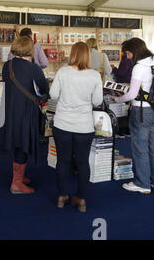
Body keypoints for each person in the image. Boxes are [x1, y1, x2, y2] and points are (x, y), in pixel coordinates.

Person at [50, 42, 103, 212]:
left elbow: (53, 95)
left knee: (63, 161)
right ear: (87, 55)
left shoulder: (63, 72)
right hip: (84, 126)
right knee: (82, 162)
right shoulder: (94, 75)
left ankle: (61, 195)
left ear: (71, 53)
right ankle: (81, 199)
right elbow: (97, 101)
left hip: (62, 124)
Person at [109, 38, 154, 194]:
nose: (127, 57)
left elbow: (132, 94)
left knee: (140, 148)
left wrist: (117, 99)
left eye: (127, 53)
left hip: (141, 111)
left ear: (134, 51)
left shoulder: (139, 67)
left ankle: (142, 183)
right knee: (153, 146)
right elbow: (146, 86)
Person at [0, 36, 49, 194]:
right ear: (29, 50)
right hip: (25, 110)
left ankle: (18, 176)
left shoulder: (7, 66)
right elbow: (44, 88)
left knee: (15, 141)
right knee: (23, 143)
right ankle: (17, 183)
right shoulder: (33, 68)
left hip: (9, 110)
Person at [111, 52, 134, 137]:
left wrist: (114, 68)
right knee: (127, 109)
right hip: (129, 85)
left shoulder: (125, 59)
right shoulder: (132, 59)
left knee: (122, 109)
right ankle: (127, 131)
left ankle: (122, 131)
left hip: (122, 86)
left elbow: (121, 73)